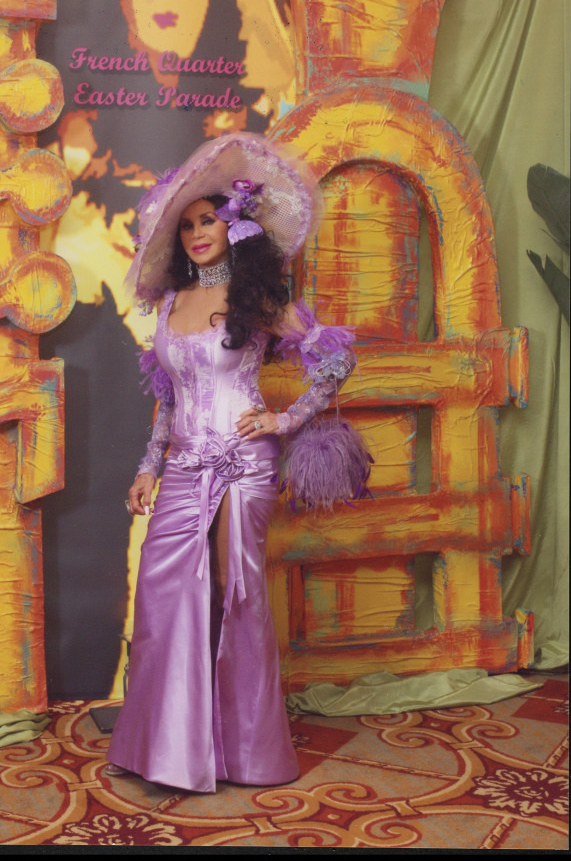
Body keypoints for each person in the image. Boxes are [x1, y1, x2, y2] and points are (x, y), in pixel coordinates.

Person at [105, 132, 371, 793]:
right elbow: (168, 398)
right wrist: (148, 467)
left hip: (243, 464)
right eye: (187, 224)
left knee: (234, 594)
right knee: (164, 595)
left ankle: (245, 753)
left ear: (235, 225)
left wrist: (285, 419)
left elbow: (336, 358)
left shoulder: (257, 301)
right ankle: (168, 748)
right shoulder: (171, 303)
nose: (198, 233)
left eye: (209, 220)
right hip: (183, 466)